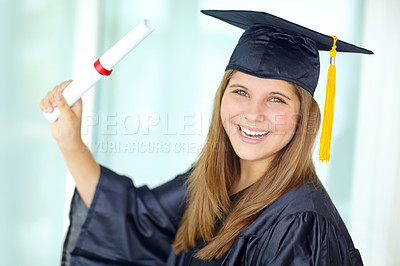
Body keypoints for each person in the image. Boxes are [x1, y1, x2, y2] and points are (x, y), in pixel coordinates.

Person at [40, 10, 372, 266]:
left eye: (276, 99)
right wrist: (69, 140)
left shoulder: (302, 224)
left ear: (305, 115)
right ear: (221, 97)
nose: (253, 113)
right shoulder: (212, 183)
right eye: (241, 91)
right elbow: (132, 220)